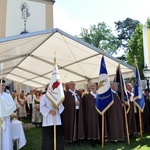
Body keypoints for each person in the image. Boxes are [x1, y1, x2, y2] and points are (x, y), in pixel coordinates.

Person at [0, 80, 16, 150]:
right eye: (1, 85)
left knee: (6, 136)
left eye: (4, 85)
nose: (3, 87)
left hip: (5, 119)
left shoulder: (7, 95)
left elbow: (12, 106)